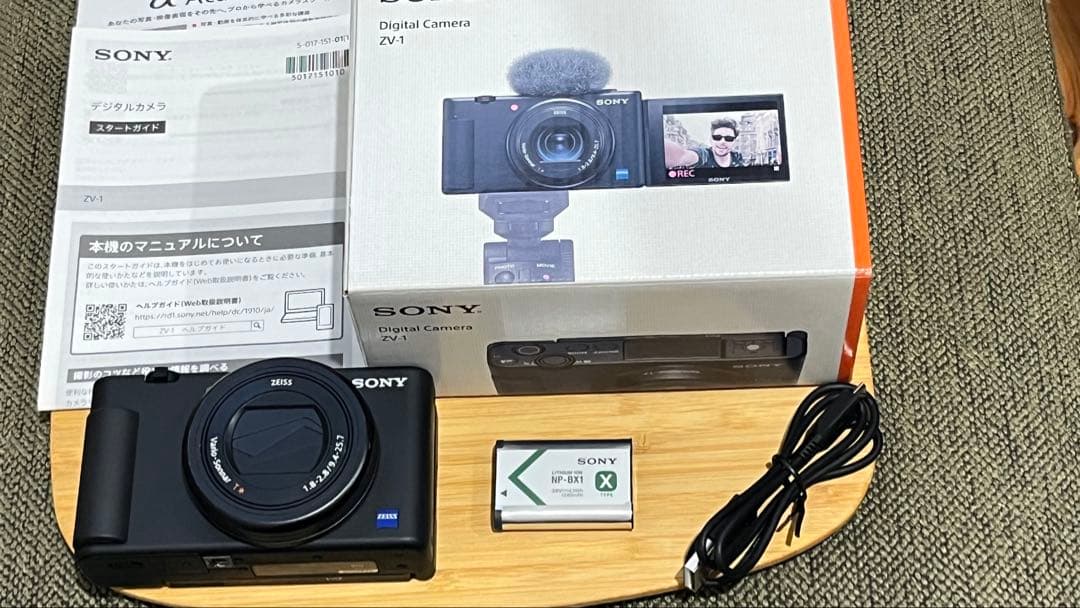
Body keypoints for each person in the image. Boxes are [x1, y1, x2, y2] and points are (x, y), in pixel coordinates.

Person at [665, 117, 745, 169]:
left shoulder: (738, 157)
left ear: (734, 141)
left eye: (729, 138)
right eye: (717, 137)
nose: (722, 142)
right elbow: (682, 156)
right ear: (711, 139)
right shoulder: (704, 155)